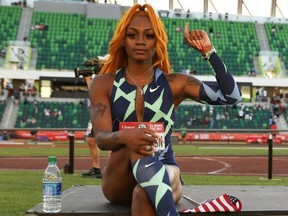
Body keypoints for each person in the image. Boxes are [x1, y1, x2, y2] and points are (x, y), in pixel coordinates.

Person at [89, 4, 242, 216]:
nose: (140, 41)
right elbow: (102, 139)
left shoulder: (175, 83)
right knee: (138, 142)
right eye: (132, 35)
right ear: (123, 41)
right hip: (119, 177)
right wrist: (126, 136)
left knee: (144, 193)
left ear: (157, 41)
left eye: (149, 35)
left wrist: (209, 52)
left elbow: (232, 96)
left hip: (165, 166)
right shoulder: (103, 83)